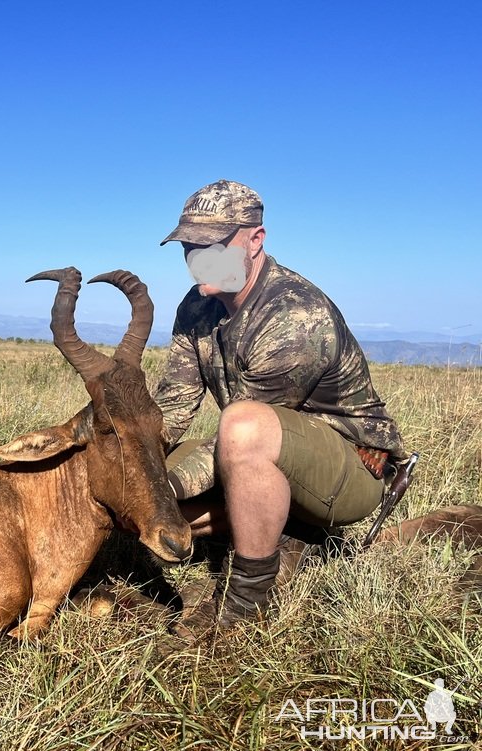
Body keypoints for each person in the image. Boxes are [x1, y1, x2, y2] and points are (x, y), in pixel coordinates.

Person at [153, 179, 407, 639]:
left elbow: (247, 429)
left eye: (211, 245)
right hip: (264, 450)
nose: (196, 259)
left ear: (255, 239)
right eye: (189, 245)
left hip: (352, 469)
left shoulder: (295, 315)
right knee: (138, 480)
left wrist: (161, 488)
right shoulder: (196, 307)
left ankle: (249, 602)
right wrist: (132, 470)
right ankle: (287, 534)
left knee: (238, 430)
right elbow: (170, 408)